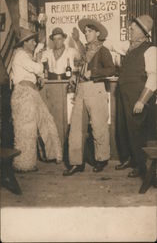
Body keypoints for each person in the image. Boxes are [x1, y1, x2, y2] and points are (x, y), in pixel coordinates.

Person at [63, 18, 115, 176]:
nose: (86, 34)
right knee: (76, 128)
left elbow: (111, 70)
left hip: (96, 89)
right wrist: (75, 76)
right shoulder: (85, 51)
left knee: (99, 126)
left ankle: (101, 159)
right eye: (85, 32)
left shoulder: (103, 50)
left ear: (97, 33)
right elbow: (81, 70)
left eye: (89, 31)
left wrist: (93, 73)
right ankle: (76, 162)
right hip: (81, 89)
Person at [10, 27, 62, 173]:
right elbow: (37, 68)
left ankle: (53, 154)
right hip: (23, 95)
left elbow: (35, 73)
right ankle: (23, 164)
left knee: (46, 121)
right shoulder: (20, 54)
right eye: (32, 41)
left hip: (31, 93)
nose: (34, 44)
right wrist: (39, 64)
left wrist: (39, 76)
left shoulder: (26, 56)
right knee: (26, 130)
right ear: (25, 43)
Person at [114, 15, 157, 179]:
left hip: (138, 96)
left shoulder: (151, 49)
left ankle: (141, 166)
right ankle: (130, 160)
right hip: (125, 96)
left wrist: (142, 100)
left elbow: (154, 77)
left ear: (143, 31)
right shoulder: (131, 47)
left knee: (138, 131)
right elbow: (113, 45)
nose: (129, 30)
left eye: (132, 28)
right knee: (125, 128)